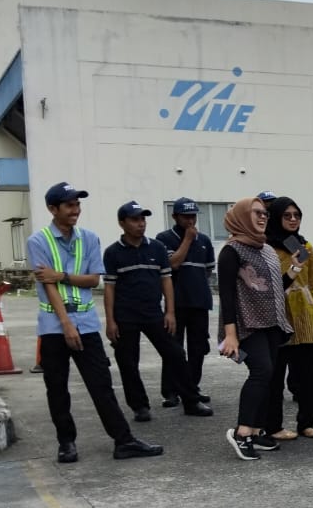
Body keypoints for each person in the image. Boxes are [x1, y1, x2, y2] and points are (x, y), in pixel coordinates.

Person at [29, 182, 162, 464]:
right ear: (53, 209)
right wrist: (65, 324)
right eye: (69, 205)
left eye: (77, 205)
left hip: (86, 323)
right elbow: (46, 284)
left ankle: (123, 440)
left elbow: (93, 280)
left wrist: (61, 275)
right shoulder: (38, 241)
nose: (75, 210)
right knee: (57, 387)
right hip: (55, 325)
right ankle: (66, 442)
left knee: (101, 384)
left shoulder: (89, 239)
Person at [101, 201, 212, 423]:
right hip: (125, 316)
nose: (140, 224)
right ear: (122, 223)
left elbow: (166, 280)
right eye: (135, 219)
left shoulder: (156, 248)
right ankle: (139, 406)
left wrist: (169, 312)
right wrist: (110, 320)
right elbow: (110, 288)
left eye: (143, 219)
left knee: (175, 354)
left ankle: (190, 400)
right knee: (128, 362)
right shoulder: (113, 252)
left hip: (154, 313)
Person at [217, 197, 291, 461]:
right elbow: (226, 295)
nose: (262, 217)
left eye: (264, 214)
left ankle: (257, 430)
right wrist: (230, 334)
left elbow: (273, 286)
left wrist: (293, 271)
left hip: (271, 322)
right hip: (246, 324)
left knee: (269, 376)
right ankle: (242, 432)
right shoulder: (231, 251)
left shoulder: (266, 249)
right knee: (261, 371)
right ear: (241, 217)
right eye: (256, 213)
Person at [265, 196, 313, 440]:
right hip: (279, 315)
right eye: (287, 215)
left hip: (305, 314)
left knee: (307, 375)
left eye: (297, 215)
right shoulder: (267, 248)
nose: (293, 220)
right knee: (275, 375)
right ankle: (274, 425)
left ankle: (306, 422)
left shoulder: (304, 247)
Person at [158, 197, 215, 408]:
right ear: (175, 217)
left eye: (193, 216)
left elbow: (208, 269)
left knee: (198, 347)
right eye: (185, 216)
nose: (190, 221)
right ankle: (171, 391)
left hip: (199, 301)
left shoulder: (205, 240)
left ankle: (191, 388)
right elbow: (173, 263)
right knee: (173, 348)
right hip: (177, 303)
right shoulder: (164, 239)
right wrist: (188, 240)